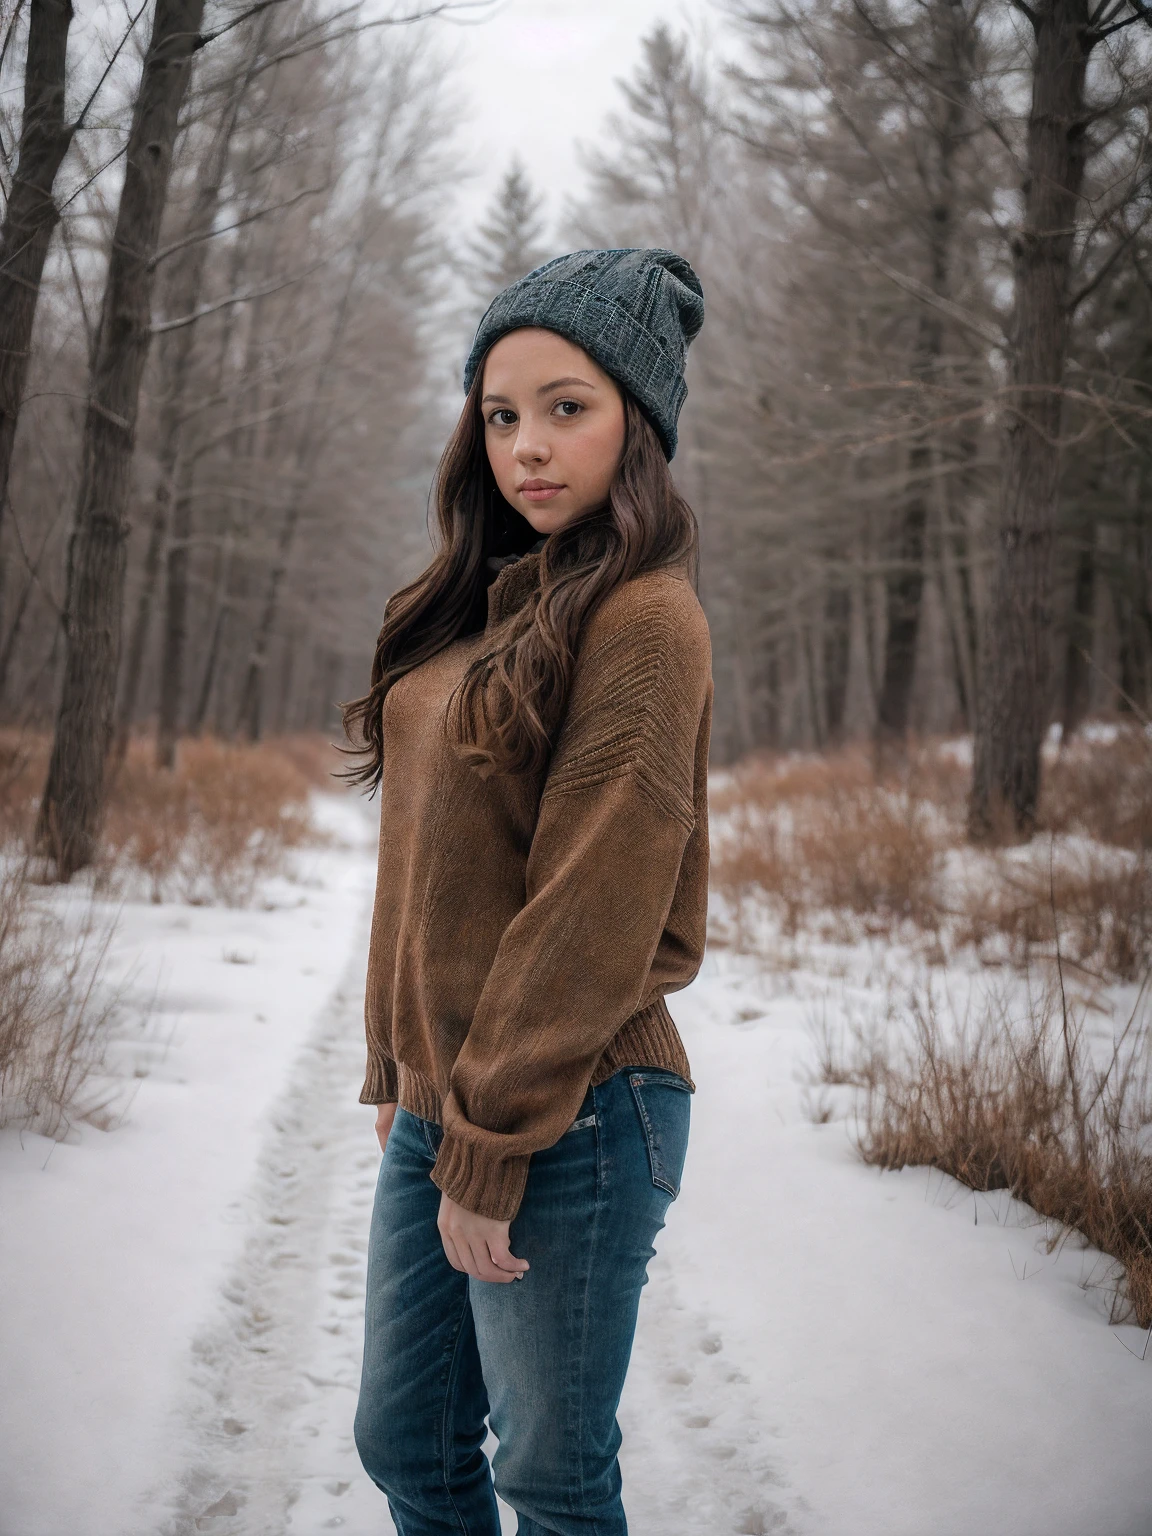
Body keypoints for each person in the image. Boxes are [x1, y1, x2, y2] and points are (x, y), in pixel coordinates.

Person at [344, 247, 713, 1535]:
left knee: (549, 1481)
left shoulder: (644, 621)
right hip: (459, 1094)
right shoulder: (495, 607)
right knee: (406, 1438)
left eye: (569, 407)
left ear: (641, 421)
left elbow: (588, 908)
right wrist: (419, 1079)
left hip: (579, 1105)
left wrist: (491, 1143)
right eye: (502, 415)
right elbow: (440, 870)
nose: (529, 447)